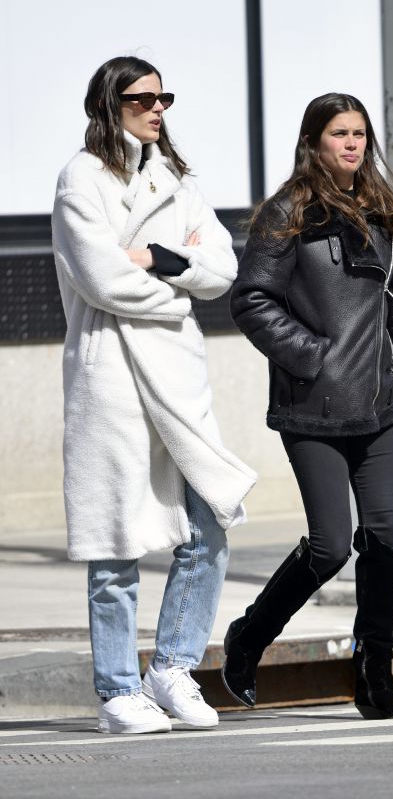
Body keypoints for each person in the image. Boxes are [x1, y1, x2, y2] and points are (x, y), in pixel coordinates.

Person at [223, 92, 393, 719]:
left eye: (360, 133)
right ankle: (248, 637)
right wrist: (315, 357)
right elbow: (251, 299)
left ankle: (374, 678)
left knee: (385, 537)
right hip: (311, 406)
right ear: (315, 140)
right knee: (332, 544)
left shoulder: (381, 212)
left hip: (377, 406)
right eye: (340, 132)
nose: (353, 143)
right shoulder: (287, 213)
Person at [52, 56, 256, 734]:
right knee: (117, 540)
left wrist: (163, 258)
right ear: (109, 105)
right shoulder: (81, 178)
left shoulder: (175, 177)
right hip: (110, 375)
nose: (157, 107)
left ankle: (170, 669)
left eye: (164, 96)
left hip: (177, 377)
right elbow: (103, 279)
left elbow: (222, 268)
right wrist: (176, 292)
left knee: (208, 524)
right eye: (142, 98)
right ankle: (115, 692)